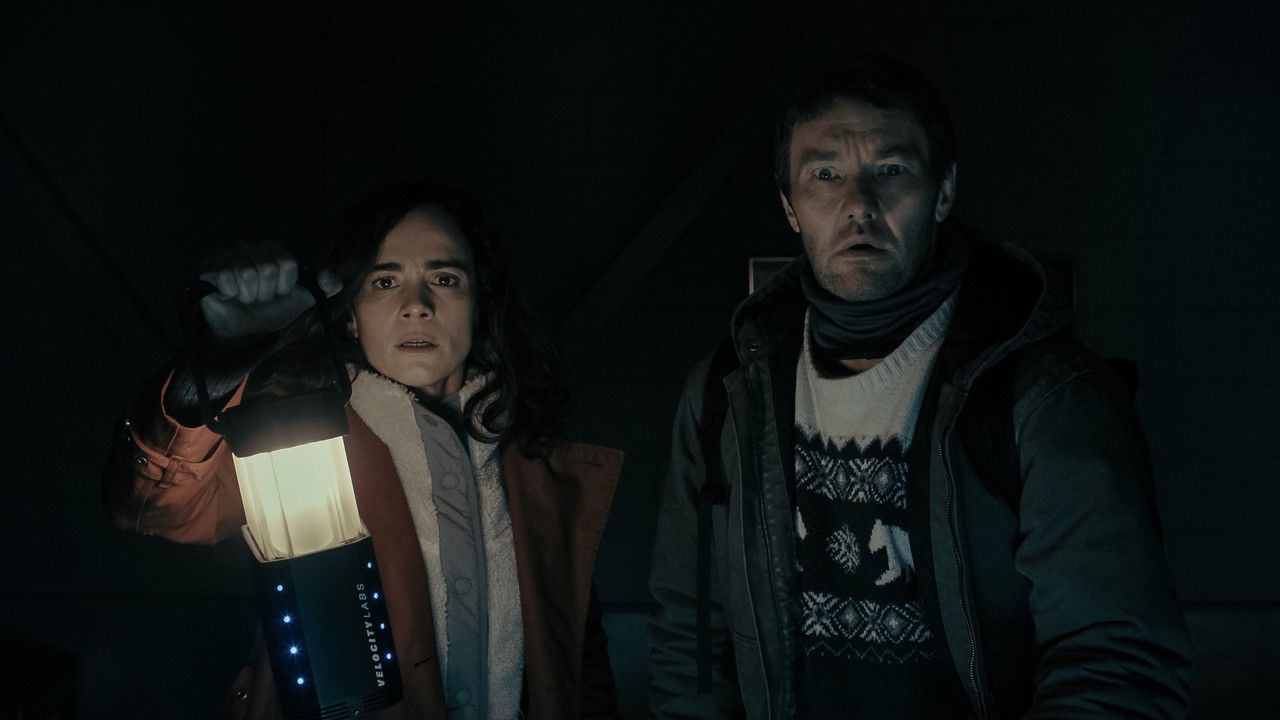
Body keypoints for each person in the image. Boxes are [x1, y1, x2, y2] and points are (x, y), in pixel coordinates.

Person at [648, 56, 1194, 719]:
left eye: (891, 170)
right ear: (790, 207)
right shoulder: (727, 392)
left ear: (942, 192)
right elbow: (692, 637)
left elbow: (1115, 659)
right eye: (825, 175)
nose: (859, 205)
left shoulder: (1047, 396)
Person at [104, 180, 623, 719]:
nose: (417, 306)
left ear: (479, 304)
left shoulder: (538, 471)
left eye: (445, 279)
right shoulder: (296, 442)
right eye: (385, 281)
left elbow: (579, 665)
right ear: (350, 313)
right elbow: (152, 508)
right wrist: (220, 365)